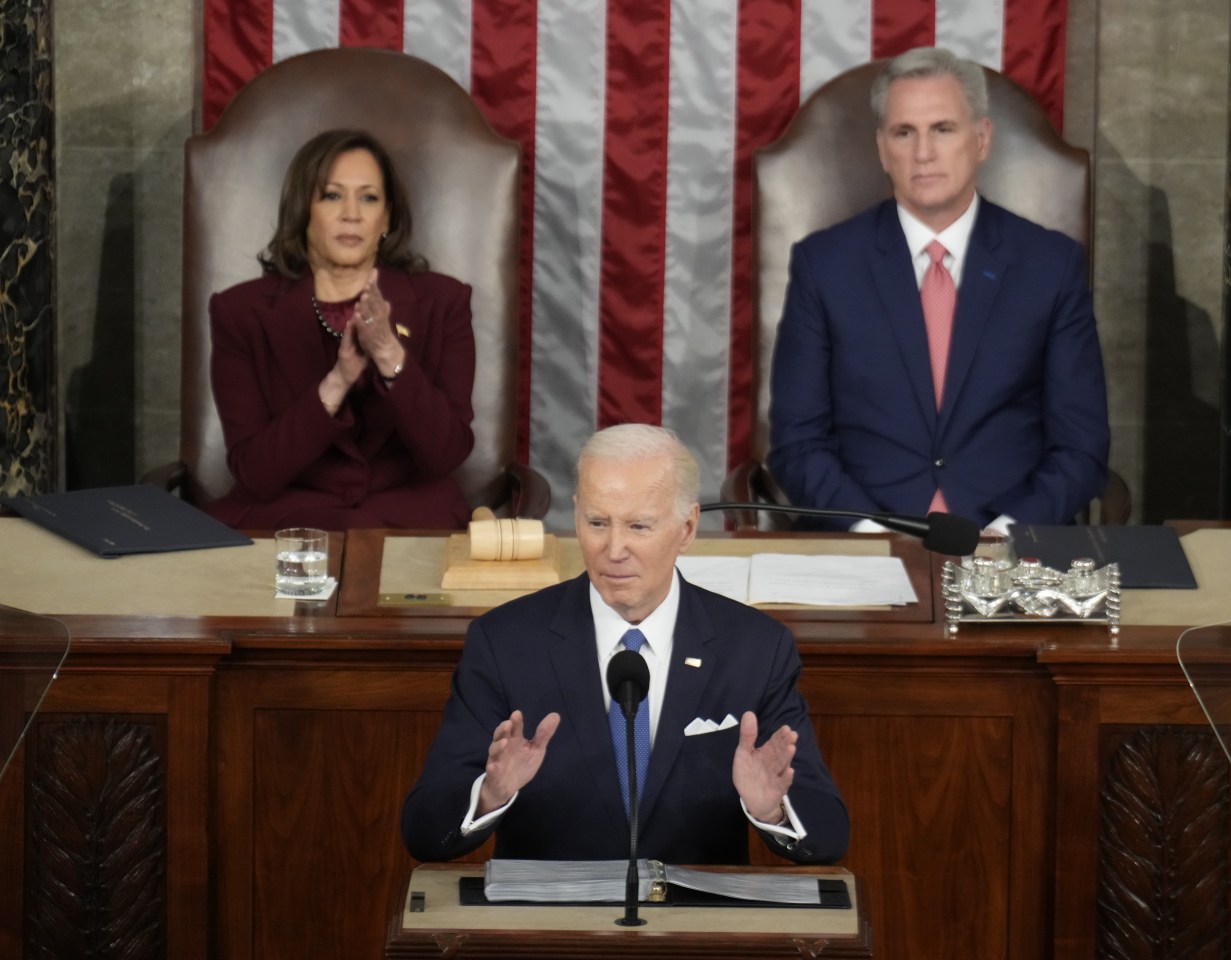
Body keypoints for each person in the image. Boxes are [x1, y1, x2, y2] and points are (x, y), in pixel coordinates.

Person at [401, 424, 849, 865]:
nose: (614, 549)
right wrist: (489, 794)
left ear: (687, 528)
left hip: (693, 927)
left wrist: (771, 809)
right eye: (597, 523)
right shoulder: (505, 642)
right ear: (576, 514)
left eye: (638, 526)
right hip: (550, 926)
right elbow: (424, 830)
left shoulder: (754, 648)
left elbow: (828, 834)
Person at [767, 47, 1110, 532]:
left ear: (982, 139)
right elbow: (797, 444)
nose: (923, 153)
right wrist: (869, 533)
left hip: (1009, 544)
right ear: (883, 149)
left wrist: (1008, 531)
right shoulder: (824, 265)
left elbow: (1081, 446)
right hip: (864, 546)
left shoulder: (1050, 266)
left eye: (942, 129)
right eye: (904, 133)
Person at [204, 128, 476, 529]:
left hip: (412, 523)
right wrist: (337, 381)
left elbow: (447, 453)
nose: (352, 212)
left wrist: (388, 354)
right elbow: (254, 473)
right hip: (285, 523)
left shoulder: (444, 302)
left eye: (368, 197)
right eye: (332, 195)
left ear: (386, 217)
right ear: (303, 212)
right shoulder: (240, 312)